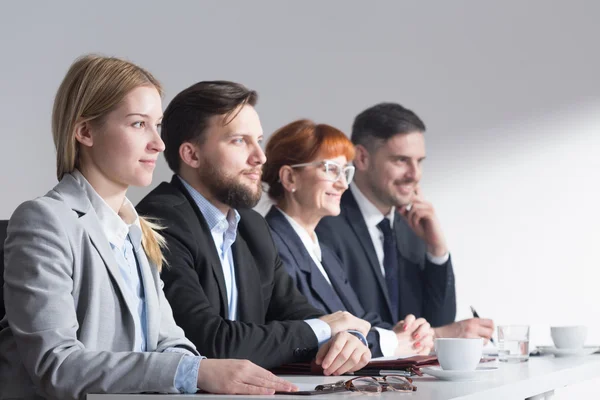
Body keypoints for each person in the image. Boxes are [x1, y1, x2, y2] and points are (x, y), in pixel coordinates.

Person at [0, 55, 297, 400]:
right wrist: (195, 371)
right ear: (85, 131)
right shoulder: (46, 221)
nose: (158, 143)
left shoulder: (139, 230)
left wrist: (198, 371)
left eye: (157, 125)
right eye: (139, 124)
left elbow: (170, 341)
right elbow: (57, 365)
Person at [136, 81, 371, 376]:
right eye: (239, 141)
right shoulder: (159, 220)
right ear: (191, 155)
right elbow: (210, 343)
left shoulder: (252, 226)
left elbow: (299, 315)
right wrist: (327, 327)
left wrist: (346, 339)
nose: (260, 157)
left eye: (258, 140)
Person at [316, 103, 494, 341]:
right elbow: (346, 326)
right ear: (362, 158)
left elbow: (436, 322)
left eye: (419, 161)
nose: (415, 174)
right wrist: (443, 334)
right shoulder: (325, 222)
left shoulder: (411, 225)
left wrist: (436, 251)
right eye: (401, 160)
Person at [262, 119, 435, 358]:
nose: (343, 184)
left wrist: (407, 332)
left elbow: (359, 318)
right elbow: (315, 335)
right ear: (290, 178)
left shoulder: (321, 249)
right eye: (331, 169)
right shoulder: (269, 244)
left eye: (345, 172)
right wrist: (392, 341)